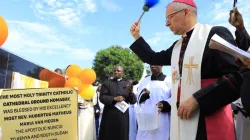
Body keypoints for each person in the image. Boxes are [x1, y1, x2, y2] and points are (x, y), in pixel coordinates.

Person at [129, 0, 239, 139]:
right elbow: (153, 58)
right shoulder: (177, 46)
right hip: (182, 118)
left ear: (186, 12)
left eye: (169, 17)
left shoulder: (215, 34)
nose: (166, 23)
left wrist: (197, 99)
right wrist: (137, 36)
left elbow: (236, 77)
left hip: (209, 117)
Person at [99, 65, 137, 140]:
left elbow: (133, 101)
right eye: (115, 71)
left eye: (118, 71)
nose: (116, 72)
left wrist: (131, 93)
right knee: (108, 135)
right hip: (109, 114)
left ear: (123, 73)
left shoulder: (127, 84)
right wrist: (114, 98)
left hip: (122, 116)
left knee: (121, 135)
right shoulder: (107, 83)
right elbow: (102, 98)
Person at [136, 65, 171, 140]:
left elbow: (173, 97)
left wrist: (164, 104)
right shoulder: (145, 81)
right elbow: (138, 97)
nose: (153, 66)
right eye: (151, 64)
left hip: (162, 116)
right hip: (146, 116)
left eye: (156, 64)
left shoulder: (169, 81)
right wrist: (144, 95)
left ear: (162, 65)